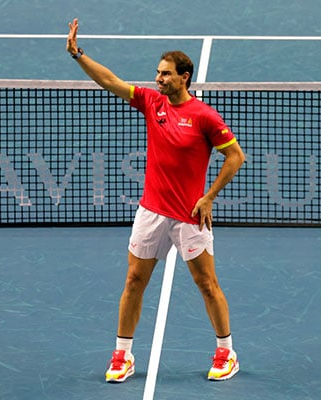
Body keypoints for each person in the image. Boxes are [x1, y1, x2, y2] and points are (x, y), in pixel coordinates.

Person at [66, 18, 245, 383]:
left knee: (206, 284)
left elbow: (236, 156)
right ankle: (122, 355)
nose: (157, 79)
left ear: (184, 77)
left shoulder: (205, 117)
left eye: (165, 74)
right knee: (134, 281)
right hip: (151, 213)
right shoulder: (152, 103)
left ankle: (227, 351)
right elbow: (110, 81)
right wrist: (78, 55)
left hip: (189, 216)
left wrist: (209, 197)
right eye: (157, 73)